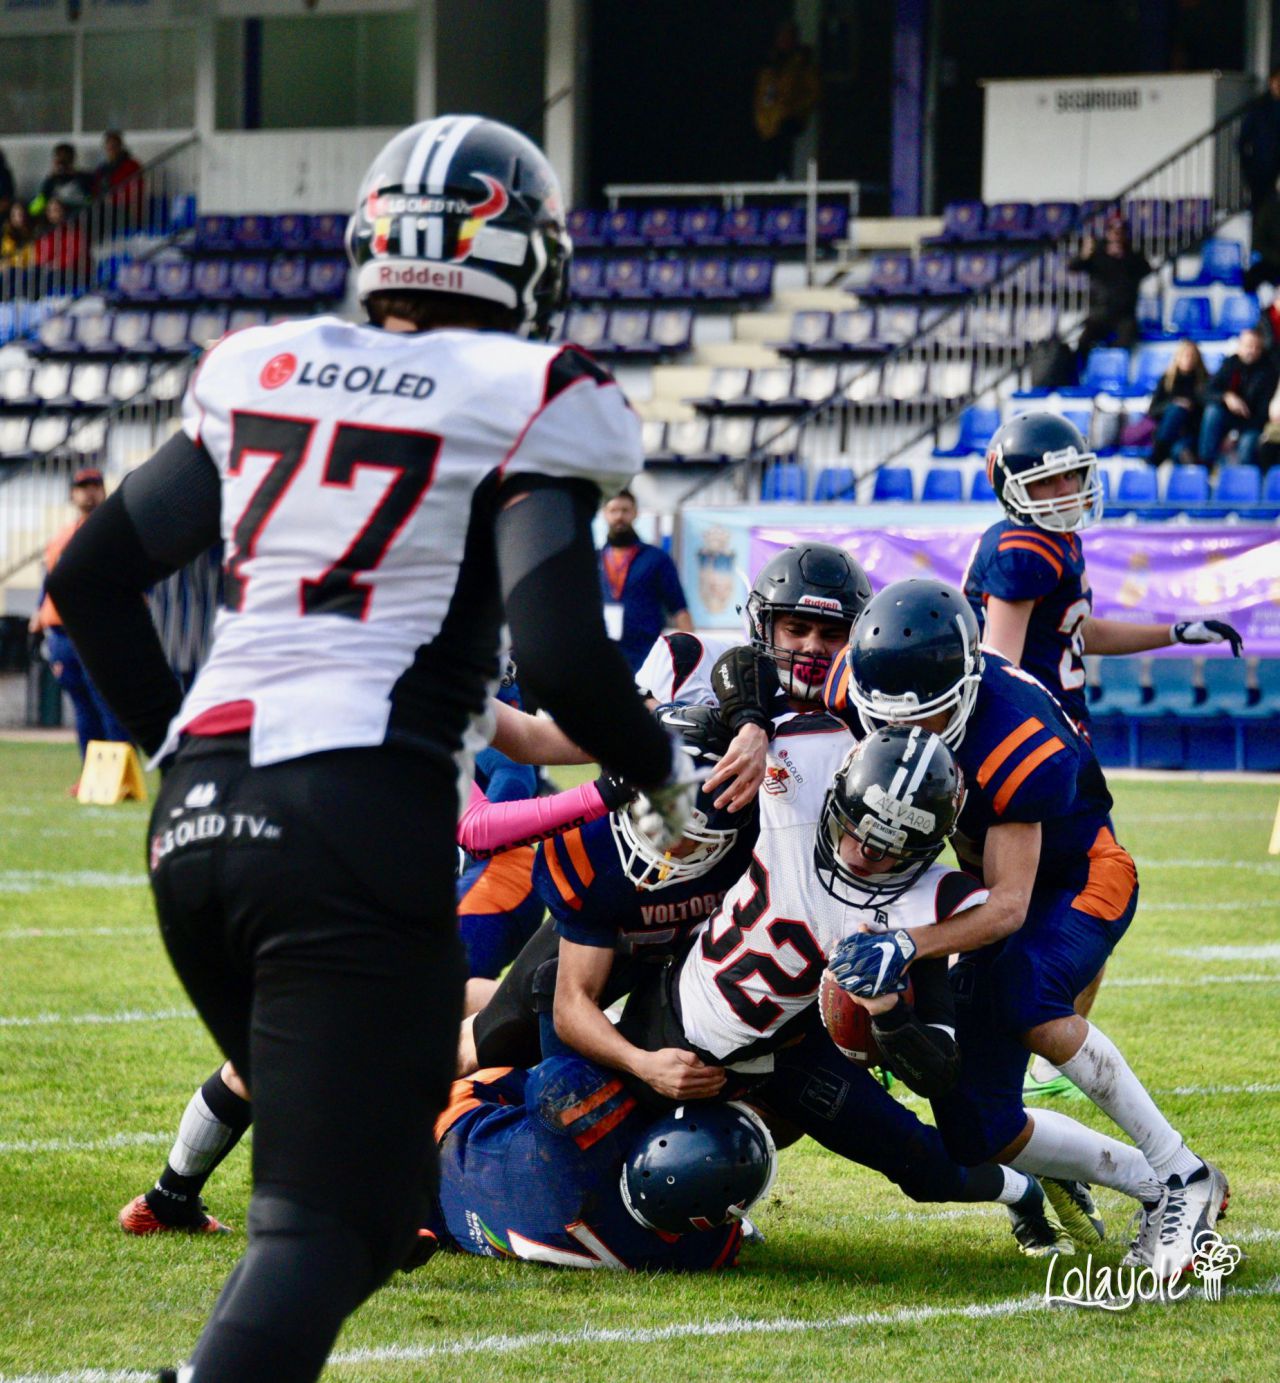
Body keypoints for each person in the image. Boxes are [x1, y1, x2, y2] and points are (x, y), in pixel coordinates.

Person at [47, 114, 698, 1383]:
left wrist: (176, 752)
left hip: (198, 825)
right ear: (524, 255)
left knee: (370, 1191)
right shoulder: (538, 390)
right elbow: (562, 654)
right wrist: (661, 773)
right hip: (356, 819)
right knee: (329, 1223)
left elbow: (88, 580)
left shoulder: (263, 363)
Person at [822, 579, 1229, 1280]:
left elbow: (1011, 906)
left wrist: (909, 943)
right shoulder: (857, 679)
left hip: (1077, 875)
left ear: (962, 689)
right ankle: (1149, 1183)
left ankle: (1181, 1171)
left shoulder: (1014, 736)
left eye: (922, 719)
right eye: (885, 719)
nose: (901, 736)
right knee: (976, 1128)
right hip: (979, 887)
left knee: (1025, 995)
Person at [964, 413, 1243, 1094]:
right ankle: (971, 1036)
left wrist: (1174, 632)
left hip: (1057, 751)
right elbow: (1000, 666)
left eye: (1072, 476)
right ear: (1013, 486)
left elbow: (1077, 633)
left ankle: (1035, 1054)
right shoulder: (1021, 548)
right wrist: (1032, 752)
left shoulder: (1058, 541)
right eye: (1049, 480)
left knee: (1061, 908)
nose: (1066, 490)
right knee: (1051, 901)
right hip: (1029, 759)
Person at [422, 1058, 775, 1270]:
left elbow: (554, 1072)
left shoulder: (588, 1139)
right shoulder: (706, 1252)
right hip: (462, 1226)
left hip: (450, 1132)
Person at [28, 467, 131, 774]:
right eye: (83, 486)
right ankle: (93, 775)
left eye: (94, 485)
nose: (89, 492)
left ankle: (119, 774)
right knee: (83, 707)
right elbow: (51, 580)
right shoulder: (62, 537)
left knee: (108, 703)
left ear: (104, 490)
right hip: (62, 633)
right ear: (73, 494)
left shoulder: (114, 531)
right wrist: (39, 612)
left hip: (97, 629)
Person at [599, 488, 692, 671]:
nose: (619, 516)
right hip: (602, 656)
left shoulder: (656, 558)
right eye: (613, 510)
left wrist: (692, 656)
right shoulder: (594, 559)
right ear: (604, 514)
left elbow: (679, 608)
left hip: (645, 656)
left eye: (625, 510)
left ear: (635, 513)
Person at [1068, 217, 1151, 365]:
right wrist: (1084, 254)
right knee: (1083, 342)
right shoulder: (1096, 255)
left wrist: (1124, 257)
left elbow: (1146, 270)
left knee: (1125, 343)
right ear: (1107, 233)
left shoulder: (1133, 255)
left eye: (1120, 232)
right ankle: (1082, 373)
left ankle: (1113, 371)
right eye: (1113, 231)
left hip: (1124, 315)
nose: (1116, 235)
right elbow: (1073, 267)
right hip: (1100, 313)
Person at [1197, 327, 1279, 468]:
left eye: (1256, 347)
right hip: (1229, 419)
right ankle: (1206, 465)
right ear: (1240, 346)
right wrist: (1226, 397)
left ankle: (1245, 479)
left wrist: (1235, 434)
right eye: (1248, 346)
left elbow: (1262, 415)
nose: (1252, 350)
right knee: (1213, 411)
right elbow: (1206, 392)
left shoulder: (1268, 372)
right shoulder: (1230, 364)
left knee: (1247, 444)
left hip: (1252, 424)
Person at [752, 19, 821, 179]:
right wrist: (761, 119)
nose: (784, 40)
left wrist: (795, 111)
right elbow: (761, 94)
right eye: (781, 36)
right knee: (767, 163)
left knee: (785, 160)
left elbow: (813, 92)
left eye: (788, 36)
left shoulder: (802, 63)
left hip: (789, 122)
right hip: (767, 125)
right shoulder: (769, 64)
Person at [1145, 341, 1208, 465]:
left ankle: (1158, 456)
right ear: (1177, 357)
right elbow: (1153, 411)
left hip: (1191, 432)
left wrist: (1191, 406)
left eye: (1192, 356)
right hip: (1168, 430)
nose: (1189, 359)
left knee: (1179, 450)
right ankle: (1160, 453)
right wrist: (1173, 404)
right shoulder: (1166, 380)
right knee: (1176, 409)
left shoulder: (1204, 380)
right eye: (1185, 355)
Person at [1238, 67, 1280, 211]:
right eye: (1277, 81)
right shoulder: (1259, 107)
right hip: (1263, 167)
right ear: (1271, 82)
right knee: (1262, 209)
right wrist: (1249, 166)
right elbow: (1243, 140)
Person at [30, 142, 92, 216]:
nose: (62, 164)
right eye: (59, 159)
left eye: (66, 159)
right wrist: (50, 180)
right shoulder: (51, 182)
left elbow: (92, 203)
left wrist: (75, 175)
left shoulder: (84, 178)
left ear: (72, 160)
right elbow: (34, 210)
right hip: (57, 221)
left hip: (79, 218)